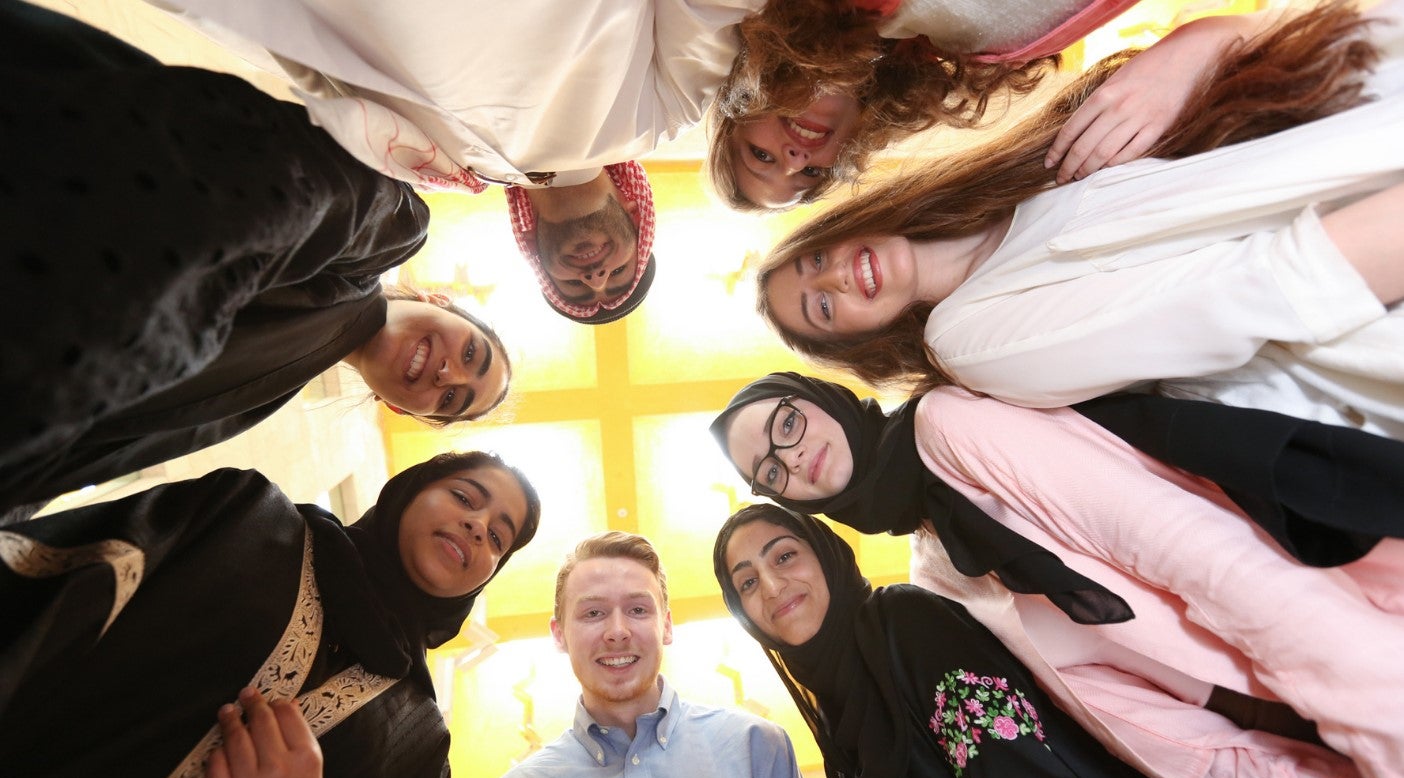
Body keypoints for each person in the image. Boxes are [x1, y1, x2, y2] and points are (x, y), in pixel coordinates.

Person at [709, 372, 1404, 778]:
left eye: (787, 423)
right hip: (1219, 776)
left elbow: (1176, 545)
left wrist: (1347, 690)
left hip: (1302, 675)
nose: (792, 459)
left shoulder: (948, 431)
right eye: (769, 472)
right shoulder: (935, 571)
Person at [753, 1, 1404, 437]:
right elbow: (1245, 295)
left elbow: (1249, 55)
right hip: (1369, 247)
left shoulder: (1011, 175)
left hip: (1360, 93)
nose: (835, 278)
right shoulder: (973, 344)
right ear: (864, 340)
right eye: (823, 307)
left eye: (815, 260)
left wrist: (1188, 49)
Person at [0, 4, 512, 521]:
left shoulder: (264, 398)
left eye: (451, 401)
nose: (447, 374)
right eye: (471, 353)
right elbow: (267, 189)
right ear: (436, 299)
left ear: (399, 408)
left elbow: (103, 443)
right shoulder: (396, 230)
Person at [0, 449, 542, 778]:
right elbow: (51, 579)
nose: (477, 526)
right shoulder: (245, 516)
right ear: (408, 491)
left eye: (499, 538)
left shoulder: (419, 747)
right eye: (465, 497)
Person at [153, 0, 764, 322]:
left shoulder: (431, 166)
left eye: (576, 286)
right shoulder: (665, 111)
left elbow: (318, 72)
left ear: (535, 253)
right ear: (635, 212)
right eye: (621, 274)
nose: (597, 278)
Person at [713, 504, 1239, 778]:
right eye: (747, 583)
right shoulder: (836, 727)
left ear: (826, 556)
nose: (773, 585)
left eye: (785, 556)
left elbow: (1019, 777)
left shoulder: (903, 623)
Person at [706, 0, 1322, 210]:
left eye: (762, 156)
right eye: (810, 176)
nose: (796, 159)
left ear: (739, 108)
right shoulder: (994, 53)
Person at [475, 531, 825, 778]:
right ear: (559, 634)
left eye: (638, 610)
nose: (617, 631)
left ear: (666, 626)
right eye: (593, 612)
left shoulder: (757, 749)